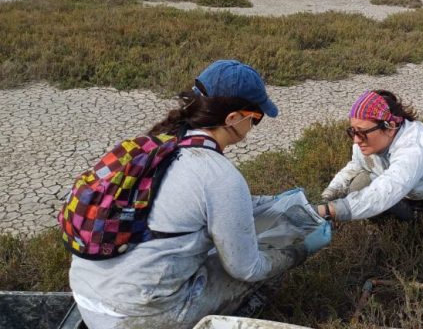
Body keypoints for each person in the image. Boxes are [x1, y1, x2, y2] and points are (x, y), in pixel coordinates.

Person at [68, 60, 331, 328]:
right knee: (265, 254)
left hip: (88, 300)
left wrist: (274, 203)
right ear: (232, 119)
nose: (253, 127)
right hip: (141, 317)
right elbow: (247, 268)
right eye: (256, 118)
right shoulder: (218, 175)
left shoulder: (157, 145)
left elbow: (209, 207)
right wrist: (297, 252)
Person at [318, 90, 423, 298]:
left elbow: (388, 188)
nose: (356, 140)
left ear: (390, 127)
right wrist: (329, 196)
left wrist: (333, 210)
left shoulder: (414, 147)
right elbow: (355, 166)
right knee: (359, 185)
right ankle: (401, 236)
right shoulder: (364, 142)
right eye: (352, 131)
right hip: (415, 198)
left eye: (362, 132)